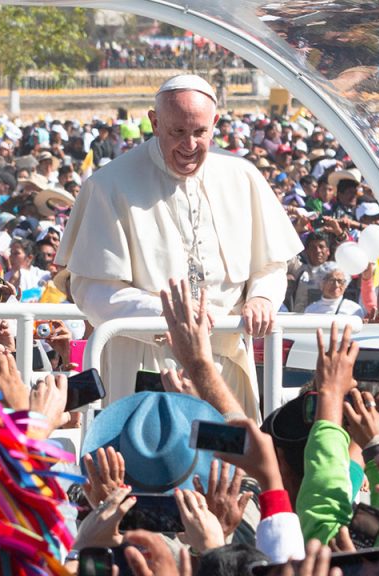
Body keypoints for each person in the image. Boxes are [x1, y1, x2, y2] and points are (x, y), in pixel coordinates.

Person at [57, 75, 303, 417]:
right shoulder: (108, 185)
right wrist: (168, 316)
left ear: (214, 124)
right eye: (177, 132)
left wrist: (262, 296)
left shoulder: (242, 176)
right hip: (147, 362)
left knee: (227, 464)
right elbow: (92, 290)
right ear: (155, 122)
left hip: (225, 362)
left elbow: (272, 263)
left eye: (199, 132)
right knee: (154, 465)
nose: (189, 145)